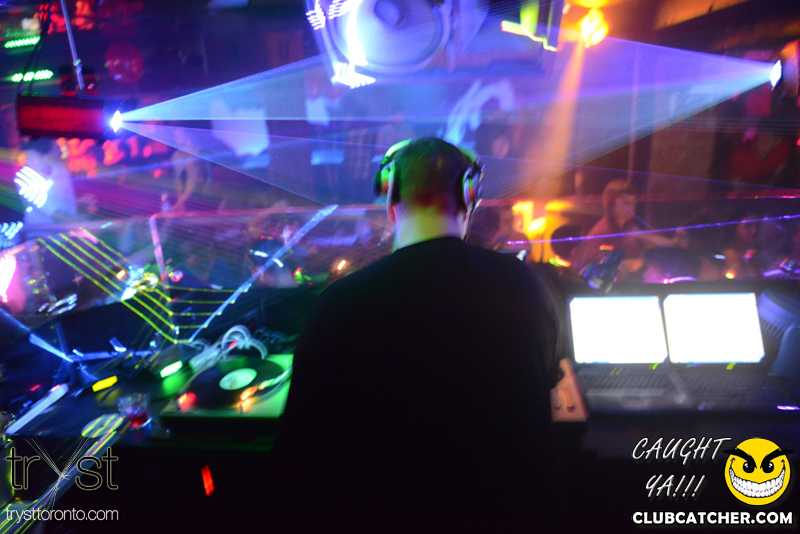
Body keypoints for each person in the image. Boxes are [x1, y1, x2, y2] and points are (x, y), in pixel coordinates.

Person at [273, 137, 562, 532]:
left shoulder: (340, 303)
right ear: (469, 196)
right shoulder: (526, 285)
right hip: (509, 514)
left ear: (390, 200)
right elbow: (547, 382)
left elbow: (298, 442)